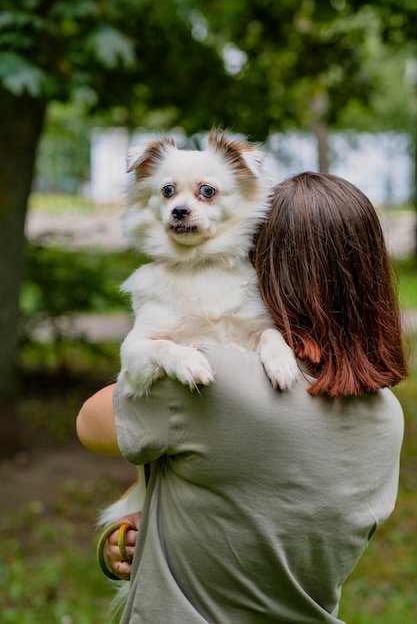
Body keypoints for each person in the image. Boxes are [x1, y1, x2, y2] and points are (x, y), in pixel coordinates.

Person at [77, 172, 408, 623]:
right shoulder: (389, 417)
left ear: (264, 261)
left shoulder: (217, 378)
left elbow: (90, 424)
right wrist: (135, 535)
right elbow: (249, 512)